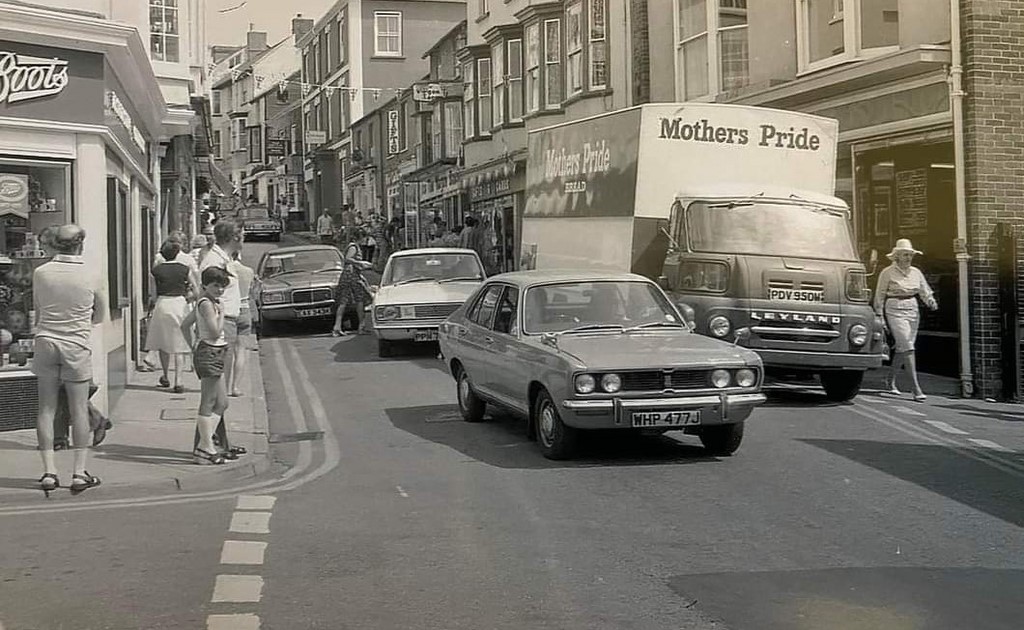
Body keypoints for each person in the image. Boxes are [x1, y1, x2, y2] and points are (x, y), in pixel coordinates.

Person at [31, 224, 106, 495]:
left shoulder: (41, 273)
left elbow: (38, 308)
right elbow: (100, 315)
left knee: (46, 409)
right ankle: (79, 472)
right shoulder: (91, 273)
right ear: (80, 244)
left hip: (46, 341)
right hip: (76, 343)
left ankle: (49, 471)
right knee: (78, 409)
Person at [196, 221, 246, 458]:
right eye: (242, 234)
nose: (244, 237)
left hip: (228, 323)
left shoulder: (225, 259)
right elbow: (207, 294)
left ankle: (220, 443)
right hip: (220, 326)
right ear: (234, 237)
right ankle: (205, 445)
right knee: (215, 394)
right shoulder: (214, 262)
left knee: (220, 393)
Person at [873, 238, 938, 402]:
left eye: (910, 255)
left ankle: (889, 380)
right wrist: (880, 315)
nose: (908, 258)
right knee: (907, 346)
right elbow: (879, 295)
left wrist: (930, 301)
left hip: (912, 309)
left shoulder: (916, 272)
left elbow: (924, 291)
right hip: (894, 308)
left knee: (904, 348)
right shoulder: (887, 272)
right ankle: (915, 388)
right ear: (897, 256)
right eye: (905, 255)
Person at [181, 267, 233, 465]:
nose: (220, 290)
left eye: (222, 286)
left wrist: (193, 344)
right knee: (208, 402)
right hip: (210, 351)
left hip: (214, 351)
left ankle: (204, 444)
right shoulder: (207, 305)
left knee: (222, 403)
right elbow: (213, 332)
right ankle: (206, 448)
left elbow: (185, 325)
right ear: (205, 285)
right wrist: (222, 315)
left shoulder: (208, 302)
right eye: (215, 286)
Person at [147, 239, 194, 394]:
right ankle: (179, 380)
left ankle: (165, 375)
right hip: (179, 304)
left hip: (163, 304)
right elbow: (195, 288)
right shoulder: (184, 269)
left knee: (163, 342)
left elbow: (153, 296)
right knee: (179, 344)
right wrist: (189, 298)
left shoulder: (156, 270)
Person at [331, 230, 375, 337]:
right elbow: (348, 259)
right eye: (365, 238)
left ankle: (337, 327)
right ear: (360, 237)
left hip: (349, 275)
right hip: (351, 276)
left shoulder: (353, 246)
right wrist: (360, 263)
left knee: (344, 301)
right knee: (360, 299)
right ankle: (361, 326)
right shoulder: (354, 247)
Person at [227, 248, 255, 397]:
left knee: (227, 351)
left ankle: (224, 386)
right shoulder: (248, 271)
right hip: (244, 311)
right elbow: (253, 293)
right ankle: (235, 387)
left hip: (229, 311)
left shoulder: (226, 271)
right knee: (241, 351)